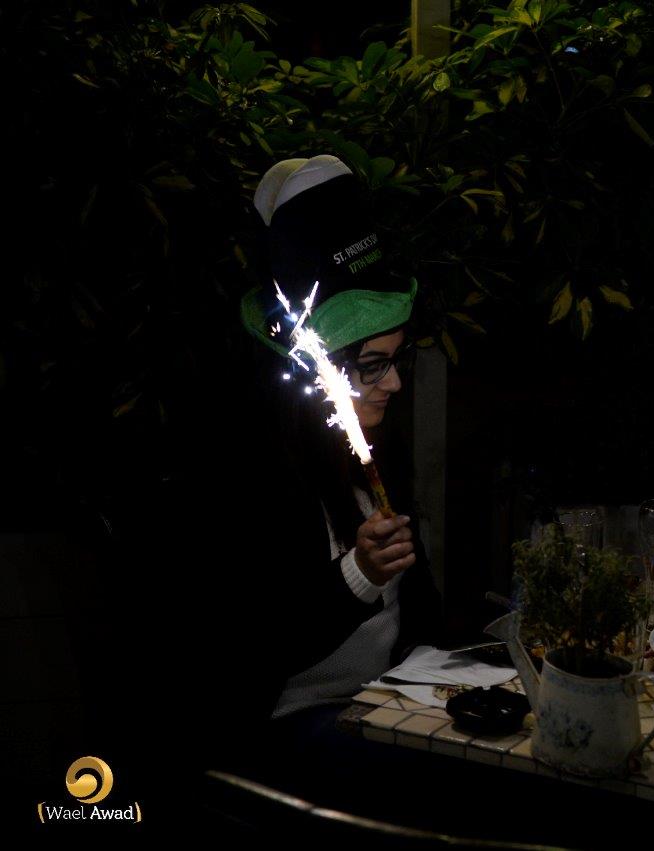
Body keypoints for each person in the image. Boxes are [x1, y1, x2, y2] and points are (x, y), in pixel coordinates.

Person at [185, 155, 444, 796]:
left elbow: (419, 611)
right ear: (315, 371)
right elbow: (246, 650)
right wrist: (358, 575)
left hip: (385, 704)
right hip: (284, 727)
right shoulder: (248, 472)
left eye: (398, 358)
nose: (394, 382)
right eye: (372, 364)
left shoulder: (373, 454)